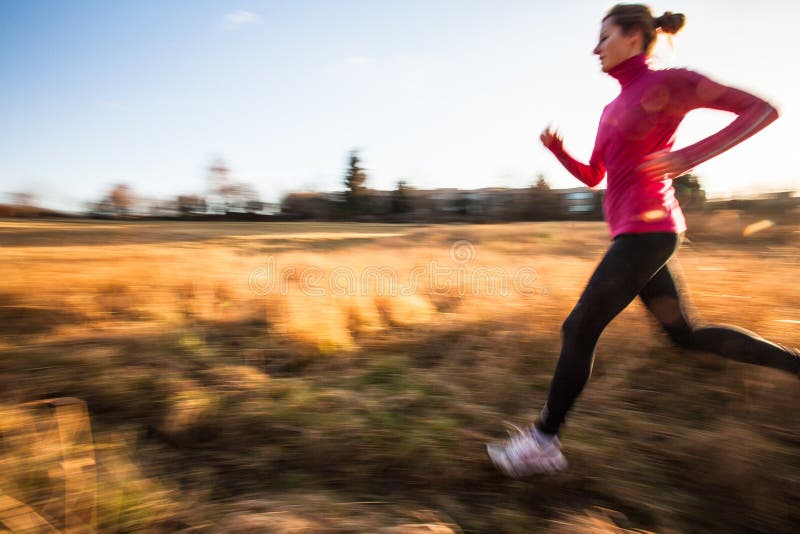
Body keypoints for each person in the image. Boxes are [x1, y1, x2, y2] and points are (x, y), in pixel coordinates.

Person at [487, 3, 800, 478]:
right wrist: (559, 152)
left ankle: (544, 442)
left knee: (579, 329)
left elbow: (762, 110)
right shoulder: (612, 108)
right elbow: (595, 176)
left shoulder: (669, 81)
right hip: (638, 234)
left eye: (604, 36)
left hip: (649, 232)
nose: (595, 48)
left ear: (634, 36)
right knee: (685, 335)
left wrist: (689, 156)